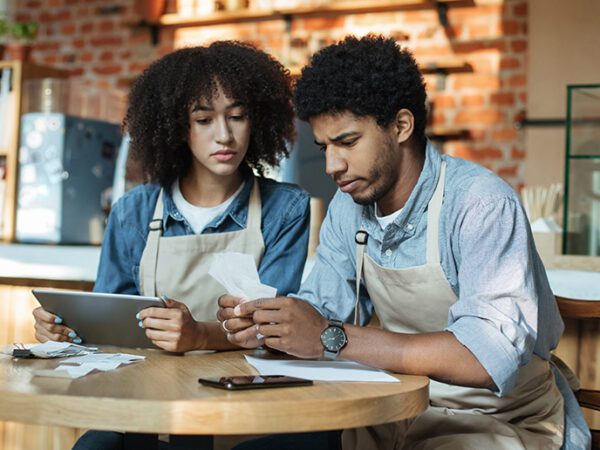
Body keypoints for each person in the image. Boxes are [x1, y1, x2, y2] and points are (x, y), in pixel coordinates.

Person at [219, 35, 591, 450]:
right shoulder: (349, 207)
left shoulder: (480, 204)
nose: (331, 166)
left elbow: (488, 357)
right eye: (324, 147)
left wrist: (329, 336)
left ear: (401, 125)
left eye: (347, 142)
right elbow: (322, 312)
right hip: (390, 414)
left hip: (495, 421)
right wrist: (273, 327)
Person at [31, 41, 310, 449]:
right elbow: (109, 330)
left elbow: (274, 330)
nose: (225, 135)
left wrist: (199, 336)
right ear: (179, 127)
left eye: (237, 116)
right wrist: (66, 331)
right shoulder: (134, 211)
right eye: (204, 119)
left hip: (243, 403)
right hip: (146, 403)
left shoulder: (285, 208)